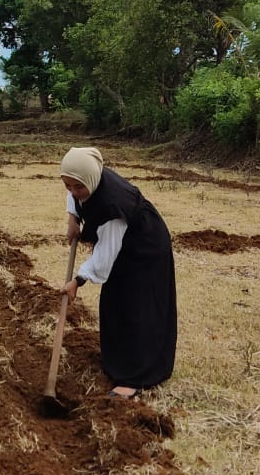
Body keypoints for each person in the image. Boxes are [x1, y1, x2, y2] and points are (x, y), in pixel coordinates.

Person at [59, 146, 176, 399]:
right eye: (68, 185)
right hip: (124, 245)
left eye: (78, 187)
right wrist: (72, 217)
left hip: (145, 247)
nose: (74, 192)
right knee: (115, 302)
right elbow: (75, 190)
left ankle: (135, 377)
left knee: (137, 307)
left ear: (90, 179)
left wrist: (78, 280)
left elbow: (104, 257)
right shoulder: (86, 178)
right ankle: (118, 363)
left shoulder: (112, 207)